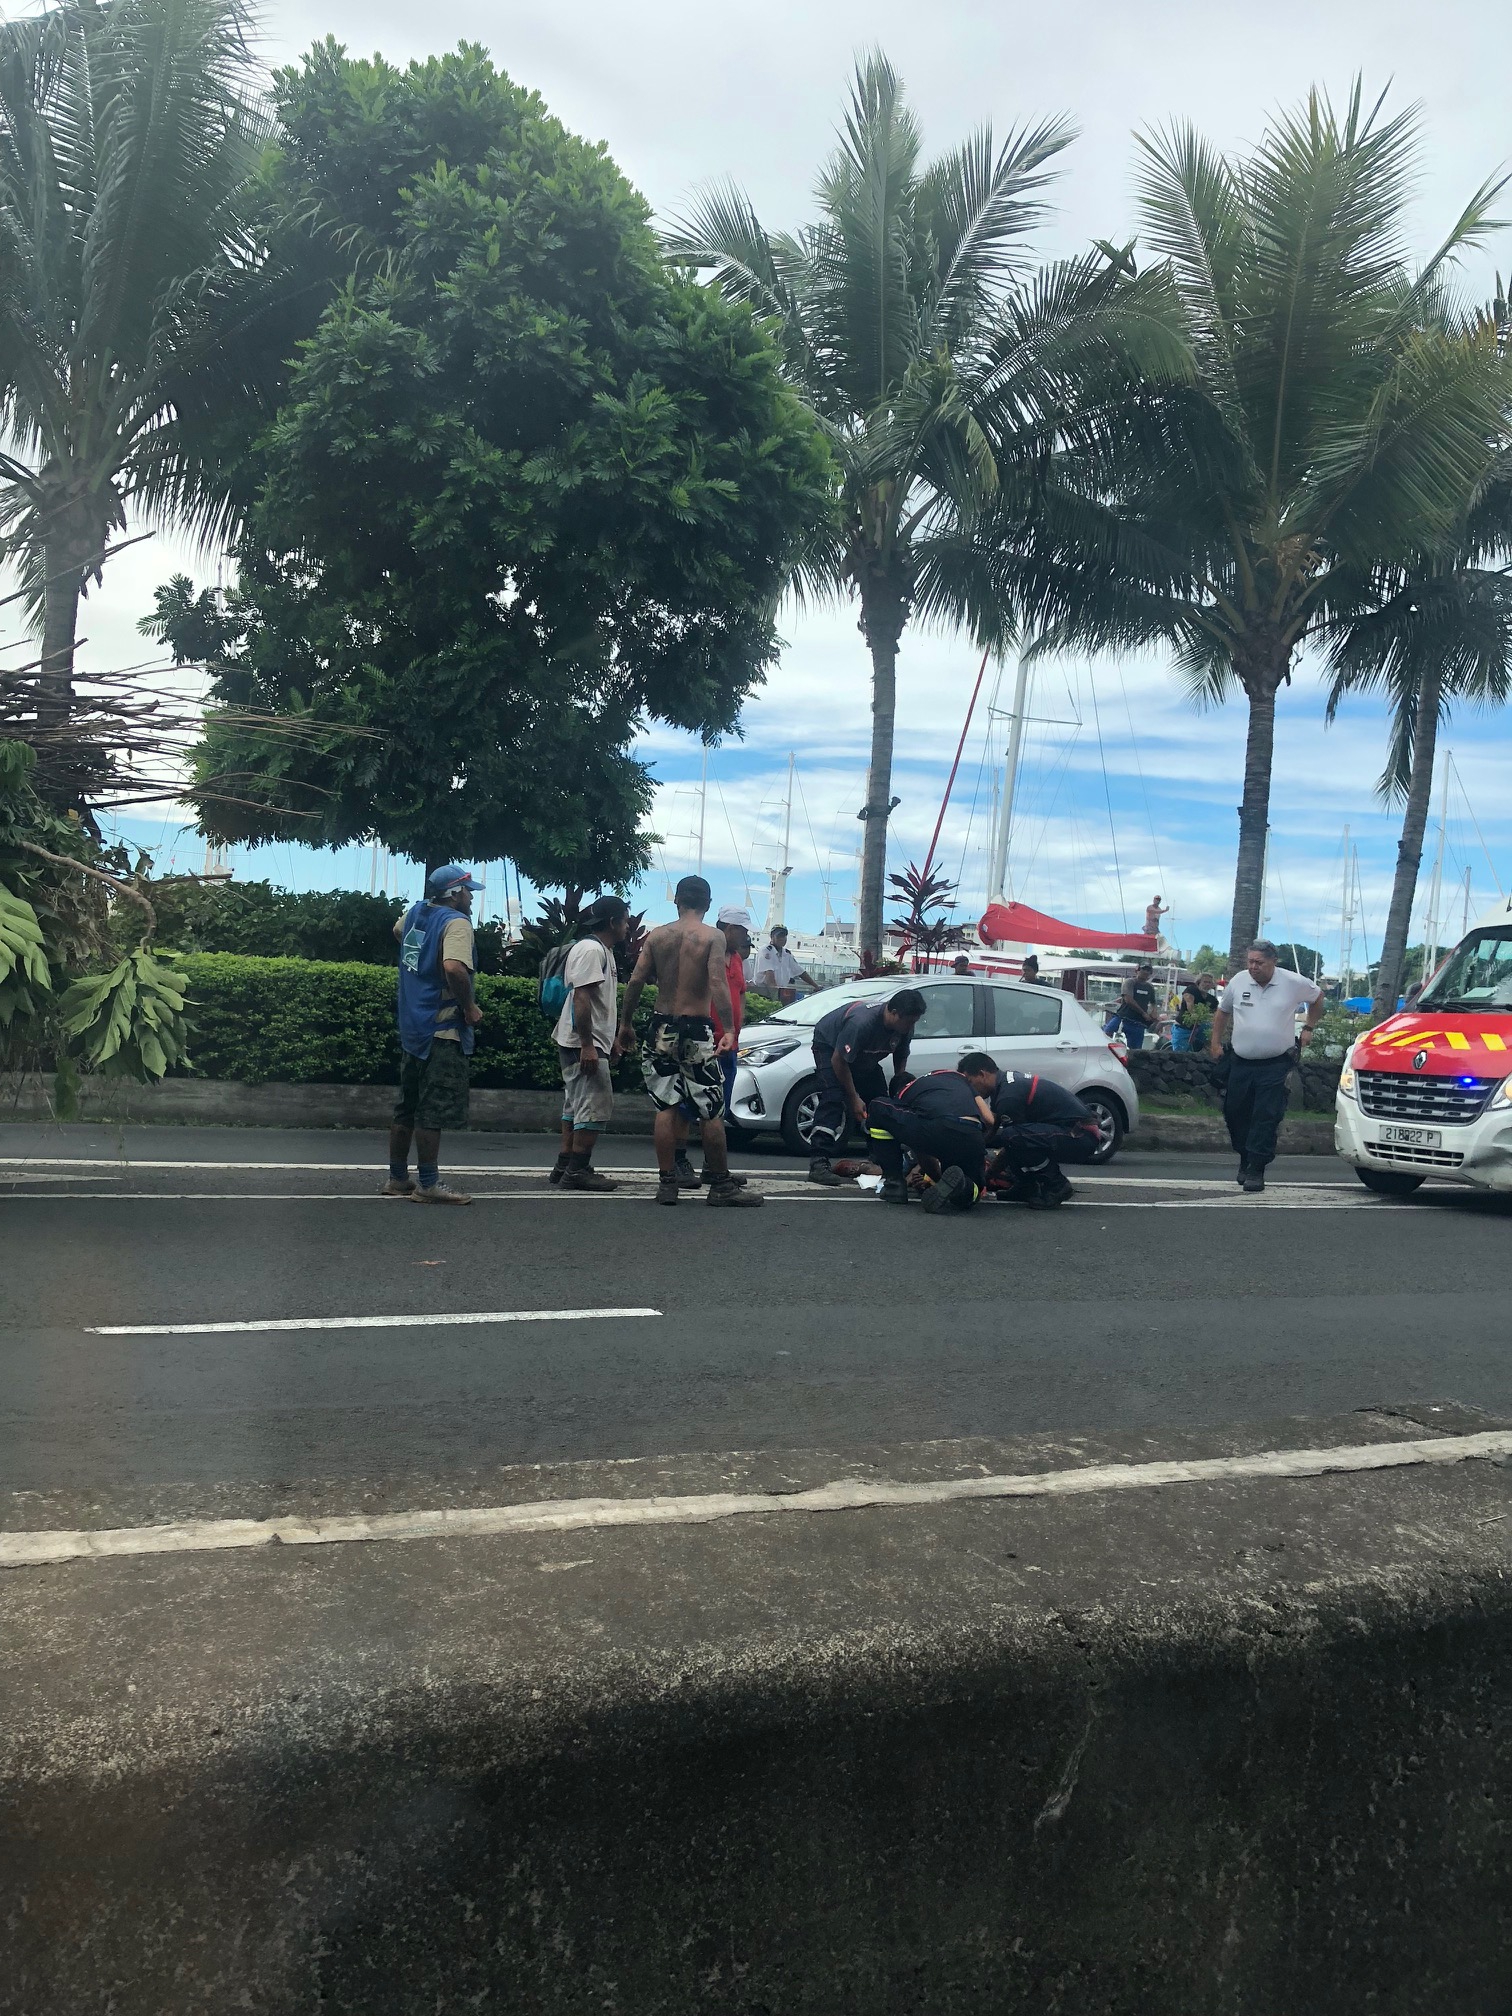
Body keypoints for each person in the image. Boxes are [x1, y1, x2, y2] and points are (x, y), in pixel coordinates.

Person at [617, 875, 763, 1209]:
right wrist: (728, 1029)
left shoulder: (658, 936)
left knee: (666, 1106)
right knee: (711, 1108)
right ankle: (722, 1186)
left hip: (661, 1026)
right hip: (696, 1028)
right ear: (708, 904)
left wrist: (625, 1024)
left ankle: (668, 1184)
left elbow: (637, 979)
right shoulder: (712, 936)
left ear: (677, 901)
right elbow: (716, 981)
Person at [385, 864, 484, 1205]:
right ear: (455, 893)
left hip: (413, 1026)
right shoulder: (457, 923)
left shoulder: (415, 912)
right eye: (468, 891)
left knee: (406, 1106)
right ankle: (428, 1184)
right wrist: (470, 1007)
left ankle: (398, 1178)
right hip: (441, 1030)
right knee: (432, 1109)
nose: (471, 897)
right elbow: (454, 968)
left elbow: (399, 932)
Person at [1209, 940, 1325, 1193]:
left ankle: (1256, 1168)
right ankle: (1244, 1157)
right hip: (1240, 1062)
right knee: (1235, 1112)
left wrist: (1309, 1027)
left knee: (1265, 1115)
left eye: (1259, 962)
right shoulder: (1238, 981)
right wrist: (1215, 1042)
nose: (1253, 967)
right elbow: (1222, 1012)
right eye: (1250, 962)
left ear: (1274, 961)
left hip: (1275, 1063)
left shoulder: (1293, 982)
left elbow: (1318, 998)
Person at [548, 895, 631, 1192]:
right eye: (624, 919)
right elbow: (581, 999)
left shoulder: (601, 950)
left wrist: (608, 1042)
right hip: (582, 1041)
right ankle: (577, 1170)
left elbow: (595, 1002)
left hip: (589, 1040)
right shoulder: (591, 950)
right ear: (612, 922)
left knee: (575, 1106)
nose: (627, 926)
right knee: (594, 1106)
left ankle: (565, 1165)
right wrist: (588, 1045)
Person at [805, 988, 925, 1185]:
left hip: (864, 1058)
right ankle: (819, 1162)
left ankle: (879, 1159)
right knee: (834, 1097)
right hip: (830, 1048)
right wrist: (853, 1098)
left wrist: (899, 1087)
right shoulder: (861, 1023)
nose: (912, 1026)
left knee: (881, 1104)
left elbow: (900, 1056)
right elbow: (839, 1061)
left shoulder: (905, 1027)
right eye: (909, 1021)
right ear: (893, 1013)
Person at [973, 1056, 1104, 1207]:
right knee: (1014, 1138)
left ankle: (1058, 1185)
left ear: (982, 1074)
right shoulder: (1006, 1084)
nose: (971, 1089)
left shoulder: (1008, 1095)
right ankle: (1026, 1187)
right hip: (1072, 1130)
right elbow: (995, 1131)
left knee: (1013, 1137)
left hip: (1082, 1134)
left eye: (970, 1082)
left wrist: (987, 1177)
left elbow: (1012, 1143)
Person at [865, 1064, 993, 1213]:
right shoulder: (958, 1077)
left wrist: (937, 1178)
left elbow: (923, 1152)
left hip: (938, 1127)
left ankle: (894, 1185)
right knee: (972, 1191)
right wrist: (978, 1145)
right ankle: (963, 1186)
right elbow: (989, 1119)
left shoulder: (905, 1093)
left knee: (877, 1107)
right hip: (973, 1133)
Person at [749, 924, 817, 1005]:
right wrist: (776, 999)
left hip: (780, 991)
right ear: (771, 936)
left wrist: (816, 986)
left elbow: (800, 972)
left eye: (784, 936)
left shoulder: (786, 954)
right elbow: (769, 978)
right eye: (779, 936)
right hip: (764, 992)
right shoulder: (766, 951)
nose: (782, 939)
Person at [1112, 963, 1161, 1048]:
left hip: (1138, 1023)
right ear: (1137, 970)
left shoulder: (1150, 987)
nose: (1146, 972)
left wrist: (1154, 1012)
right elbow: (1128, 999)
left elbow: (1153, 1002)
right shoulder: (1130, 982)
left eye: (1148, 970)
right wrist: (1143, 1013)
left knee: (1135, 1050)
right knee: (1106, 1034)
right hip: (1123, 1018)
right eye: (1143, 969)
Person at [1171, 972, 1219, 1052]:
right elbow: (1189, 1003)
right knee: (1180, 1054)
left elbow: (1215, 1014)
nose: (1207, 984)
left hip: (1200, 1030)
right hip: (1183, 1028)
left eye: (1209, 982)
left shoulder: (1212, 1000)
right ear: (1199, 982)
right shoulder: (1191, 990)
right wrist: (1194, 1015)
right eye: (1205, 982)